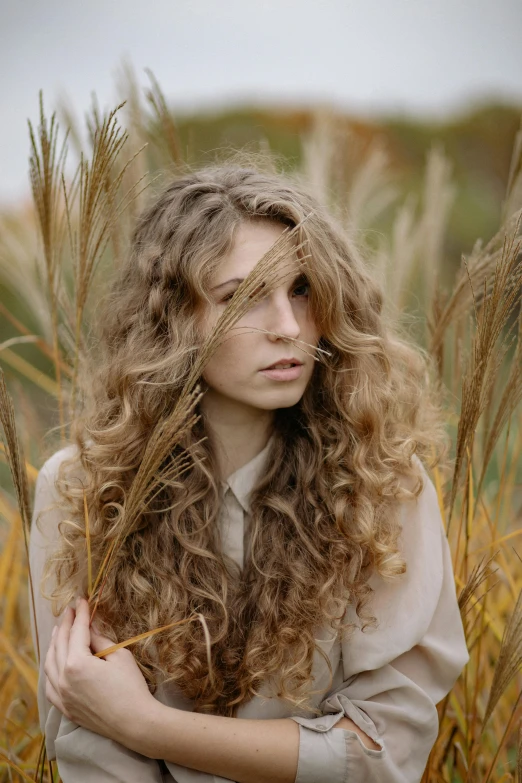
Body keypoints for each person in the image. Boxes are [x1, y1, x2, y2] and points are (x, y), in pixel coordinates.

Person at [29, 159, 469, 783]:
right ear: (173, 319)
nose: (290, 329)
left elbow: (382, 754)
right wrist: (117, 727)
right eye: (242, 297)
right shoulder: (80, 491)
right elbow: (85, 738)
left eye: (301, 290)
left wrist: (146, 725)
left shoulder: (382, 484)